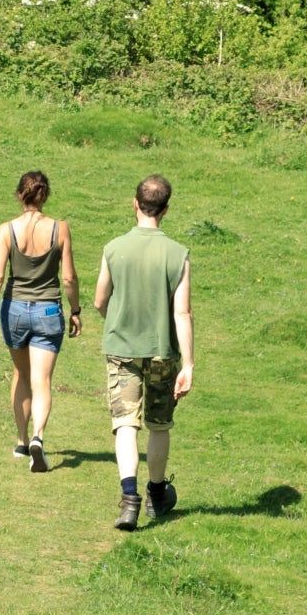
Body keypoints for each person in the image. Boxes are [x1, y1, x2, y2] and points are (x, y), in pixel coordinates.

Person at [95, 175, 193, 531]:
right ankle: (156, 493)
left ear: (134, 203)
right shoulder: (178, 254)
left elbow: (99, 300)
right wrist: (190, 363)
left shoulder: (113, 248)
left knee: (125, 423)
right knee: (159, 424)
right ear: (165, 209)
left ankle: (129, 498)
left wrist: (117, 321)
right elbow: (182, 312)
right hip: (162, 351)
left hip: (122, 348)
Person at [0, 171, 80, 472]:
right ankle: (38, 437)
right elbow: (68, 277)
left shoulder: (7, 230)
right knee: (42, 380)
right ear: (45, 196)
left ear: (20, 195)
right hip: (48, 311)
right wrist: (75, 310)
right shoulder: (61, 229)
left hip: (14, 310)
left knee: (21, 374)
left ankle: (21, 442)